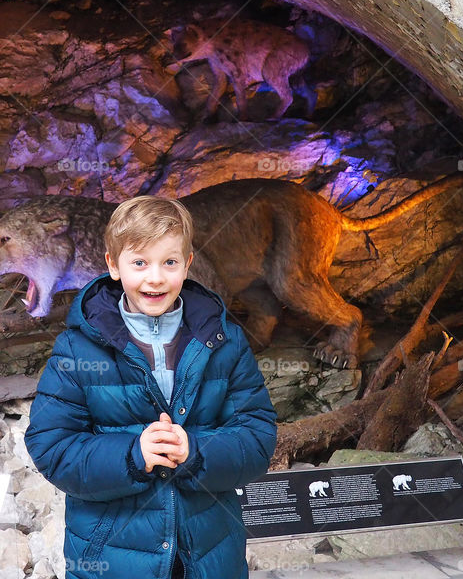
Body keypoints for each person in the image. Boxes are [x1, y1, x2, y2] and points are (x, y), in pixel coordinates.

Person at [25, 195, 277, 579]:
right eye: (139, 262)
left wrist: (196, 451)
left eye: (169, 262)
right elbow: (51, 445)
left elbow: (257, 435)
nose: (155, 277)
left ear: (188, 265)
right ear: (112, 265)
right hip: (111, 557)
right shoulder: (78, 348)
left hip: (209, 553)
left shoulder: (224, 340)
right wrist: (132, 455)